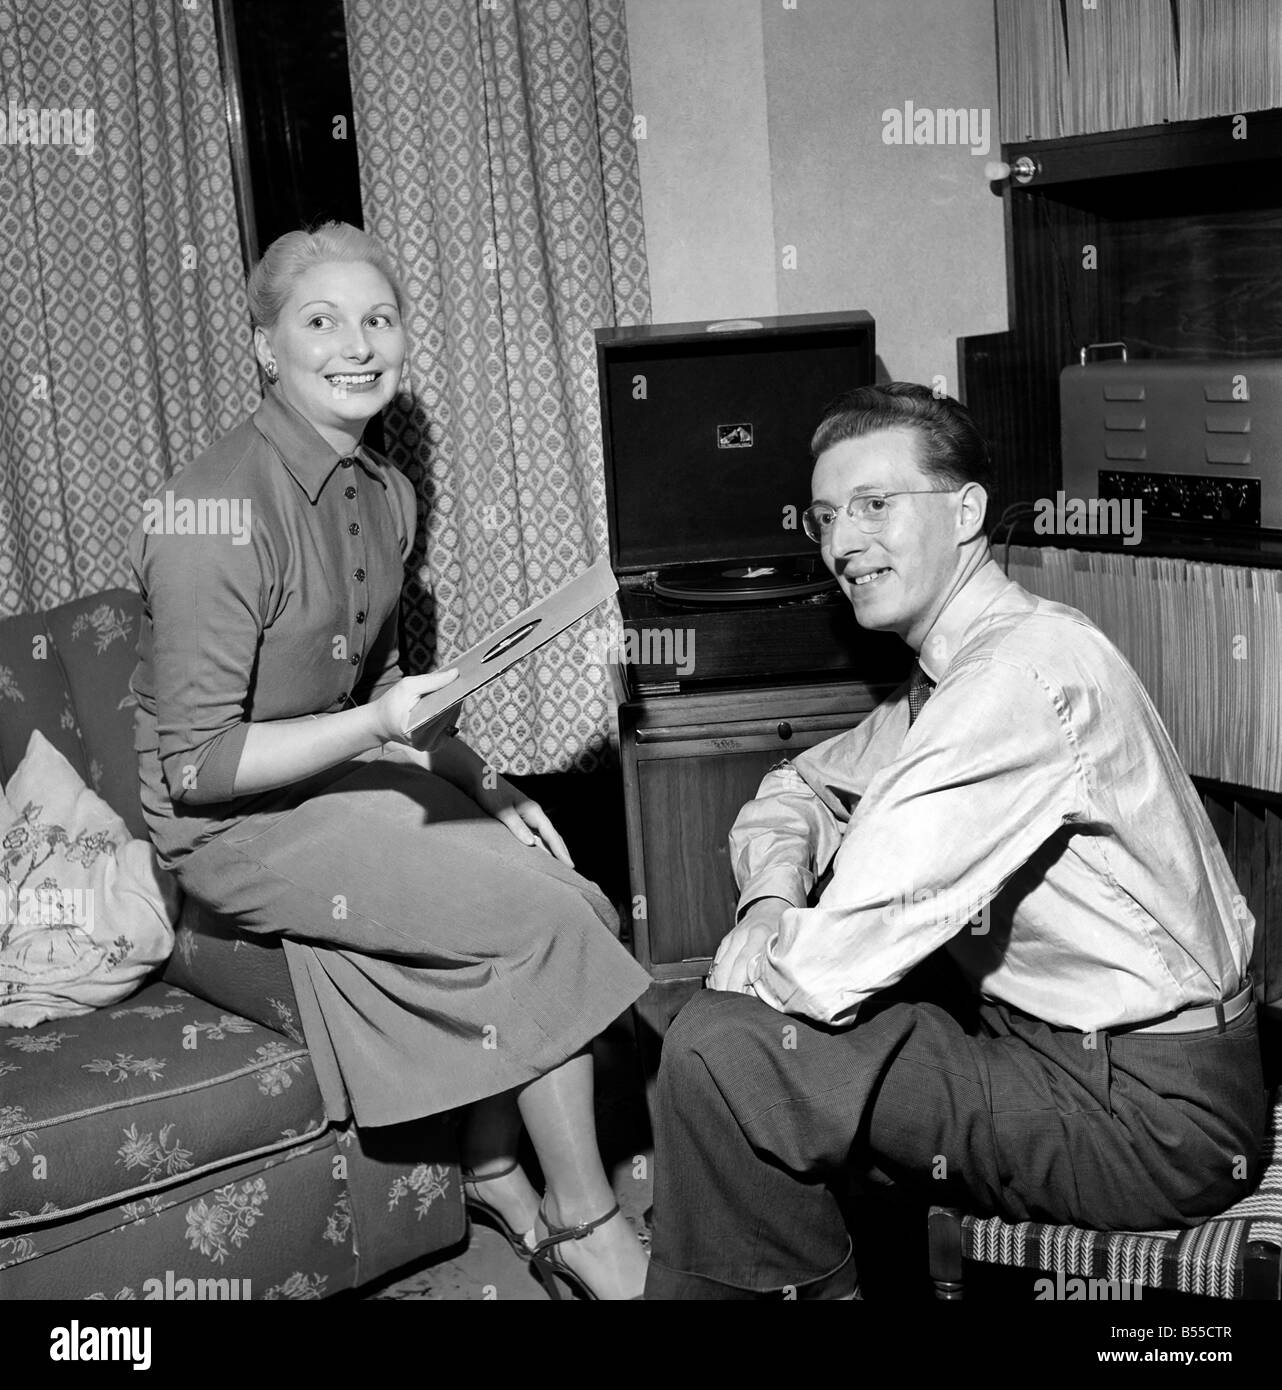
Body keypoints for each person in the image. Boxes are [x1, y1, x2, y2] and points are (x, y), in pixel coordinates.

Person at [643, 382, 1266, 1300]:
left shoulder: (1017, 679)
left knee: (714, 1051)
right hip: (1058, 1047)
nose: (840, 543)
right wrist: (772, 899)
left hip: (1152, 1118)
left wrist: (730, 971)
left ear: (967, 511)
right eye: (823, 517)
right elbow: (793, 789)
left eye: (874, 506)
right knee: (709, 1036)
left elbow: (825, 965)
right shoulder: (963, 672)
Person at [128, 221, 651, 1301]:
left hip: (333, 780)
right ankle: (586, 1219)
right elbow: (196, 767)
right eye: (321, 321)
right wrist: (380, 735)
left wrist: (478, 779)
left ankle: (495, 1165)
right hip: (232, 823)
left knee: (575, 893)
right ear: (268, 347)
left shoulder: (386, 490)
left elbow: (387, 696)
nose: (357, 344)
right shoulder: (211, 514)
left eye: (379, 318)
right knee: (543, 920)